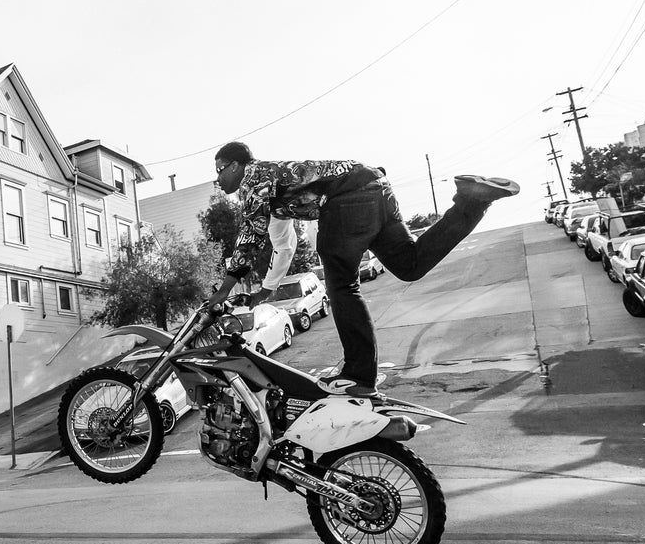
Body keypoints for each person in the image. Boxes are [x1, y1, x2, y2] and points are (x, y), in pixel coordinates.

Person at [212, 141, 518, 397]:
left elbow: (250, 230)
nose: (218, 179)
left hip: (347, 198)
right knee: (409, 264)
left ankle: (359, 375)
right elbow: (284, 244)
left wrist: (225, 288)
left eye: (220, 170)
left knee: (342, 284)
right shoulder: (276, 189)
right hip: (375, 187)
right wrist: (266, 289)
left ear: (237, 165)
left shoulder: (255, 177)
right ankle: (471, 202)